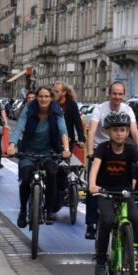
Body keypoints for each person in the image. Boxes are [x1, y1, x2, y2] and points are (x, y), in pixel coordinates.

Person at [88, 112, 138, 275]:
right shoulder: (102, 148)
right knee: (107, 219)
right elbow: (95, 168)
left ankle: (127, 245)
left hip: (125, 190)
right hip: (105, 190)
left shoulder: (131, 149)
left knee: (136, 219)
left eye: (122, 130)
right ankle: (100, 261)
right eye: (115, 130)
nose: (119, 133)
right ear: (108, 132)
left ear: (128, 132)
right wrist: (92, 185)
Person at [85, 81, 138, 239]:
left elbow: (135, 132)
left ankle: (128, 213)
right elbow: (92, 132)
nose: (117, 97)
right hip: (101, 150)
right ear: (109, 94)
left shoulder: (128, 109)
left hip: (121, 148)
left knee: (131, 180)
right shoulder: (99, 109)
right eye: (114, 93)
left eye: (120, 94)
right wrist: (91, 152)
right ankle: (90, 224)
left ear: (123, 96)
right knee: (93, 187)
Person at [7, 86, 72, 227]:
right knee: (25, 177)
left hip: (48, 151)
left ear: (51, 98)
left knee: (52, 172)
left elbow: (63, 130)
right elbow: (18, 128)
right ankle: (23, 210)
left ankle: (48, 211)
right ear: (36, 97)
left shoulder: (56, 111)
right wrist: (12, 145)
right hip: (28, 151)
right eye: (40, 96)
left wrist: (66, 148)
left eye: (46, 96)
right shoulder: (29, 110)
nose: (43, 99)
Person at [52, 81, 86, 212]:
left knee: (68, 169)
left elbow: (77, 122)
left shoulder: (71, 105)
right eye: (53, 91)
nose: (54, 93)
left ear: (64, 92)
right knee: (55, 170)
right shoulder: (51, 104)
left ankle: (68, 192)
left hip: (69, 142)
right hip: (54, 142)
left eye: (57, 91)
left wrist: (81, 139)